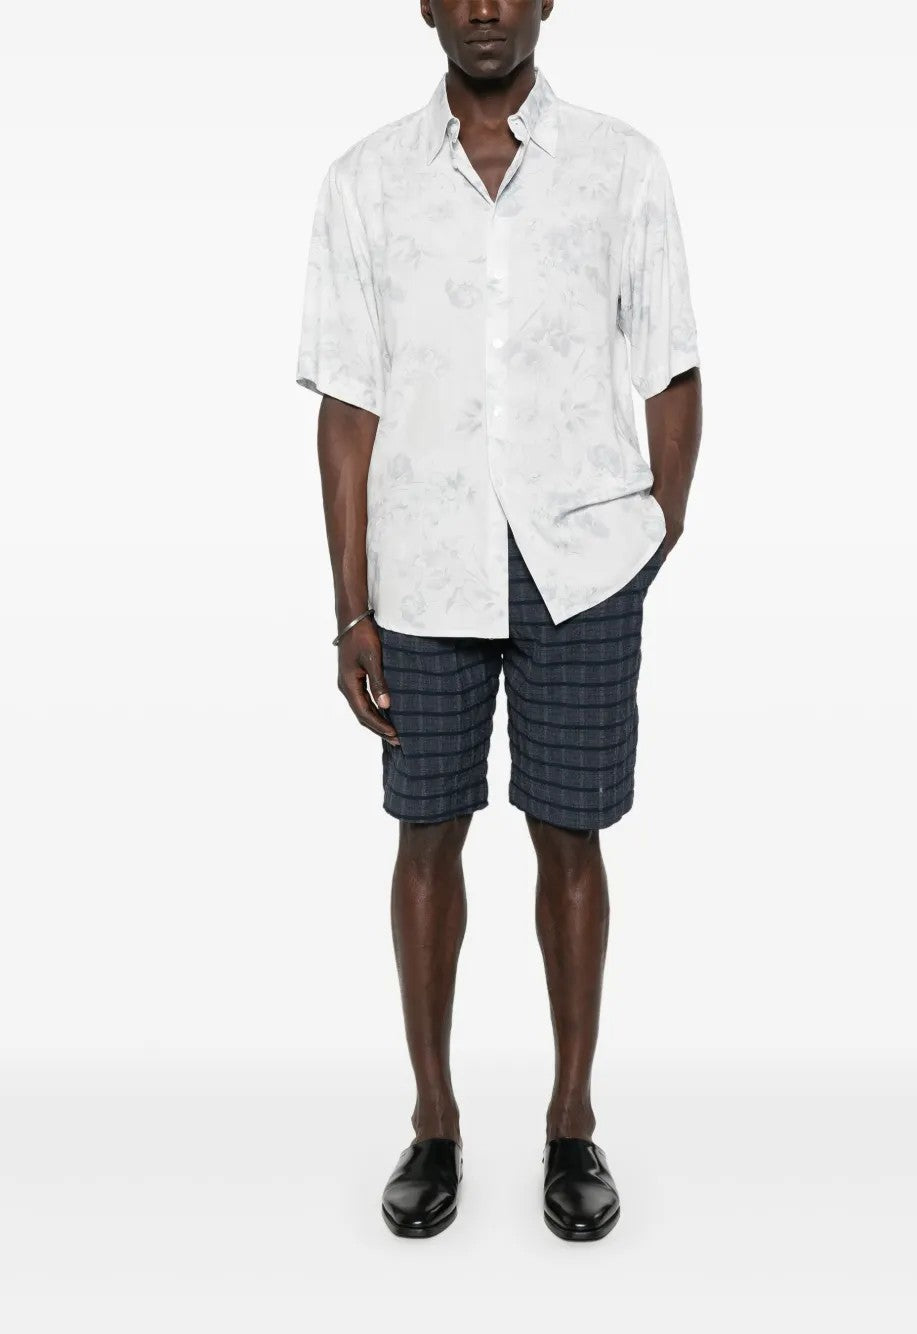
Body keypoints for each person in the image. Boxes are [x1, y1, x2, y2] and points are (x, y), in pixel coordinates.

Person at [295, 1, 702, 1243]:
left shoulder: (621, 165)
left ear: (545, 1)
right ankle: (434, 1121)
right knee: (426, 833)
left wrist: (650, 538)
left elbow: (673, 368)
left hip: (579, 568)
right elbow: (346, 407)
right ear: (424, 3)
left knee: (570, 837)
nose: (483, 7)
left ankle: (572, 1123)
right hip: (423, 573)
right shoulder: (364, 181)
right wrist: (351, 605)